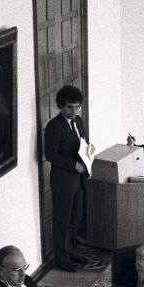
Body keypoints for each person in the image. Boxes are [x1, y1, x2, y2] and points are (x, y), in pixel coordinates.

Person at [43, 84, 101, 272]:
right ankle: (62, 258)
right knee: (62, 220)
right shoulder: (54, 126)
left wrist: (89, 149)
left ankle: (72, 250)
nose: (74, 110)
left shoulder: (79, 121)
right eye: (70, 107)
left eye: (77, 106)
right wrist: (72, 165)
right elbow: (50, 155)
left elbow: (81, 143)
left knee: (76, 218)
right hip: (63, 182)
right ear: (61, 106)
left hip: (80, 179)